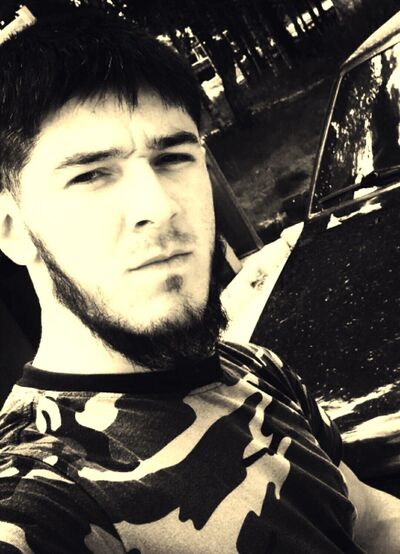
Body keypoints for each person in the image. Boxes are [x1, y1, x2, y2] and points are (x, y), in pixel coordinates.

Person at [0, 7, 398, 553]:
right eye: (91, 174)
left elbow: (370, 520)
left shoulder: (255, 367)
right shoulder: (38, 505)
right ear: (11, 229)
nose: (159, 206)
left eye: (172, 157)